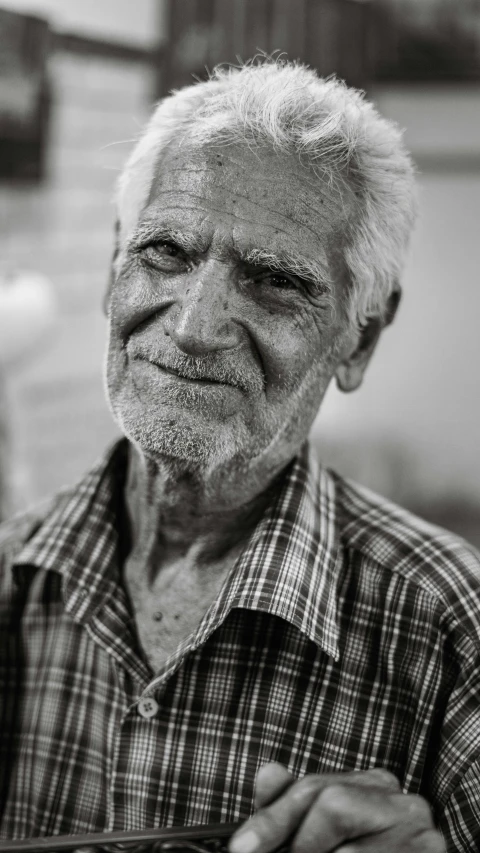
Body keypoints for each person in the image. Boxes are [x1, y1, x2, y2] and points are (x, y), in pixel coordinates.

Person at [0, 60, 478, 853]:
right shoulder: (12, 571)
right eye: (164, 251)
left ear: (361, 335)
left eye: (275, 282)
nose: (192, 325)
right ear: (114, 265)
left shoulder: (449, 623)